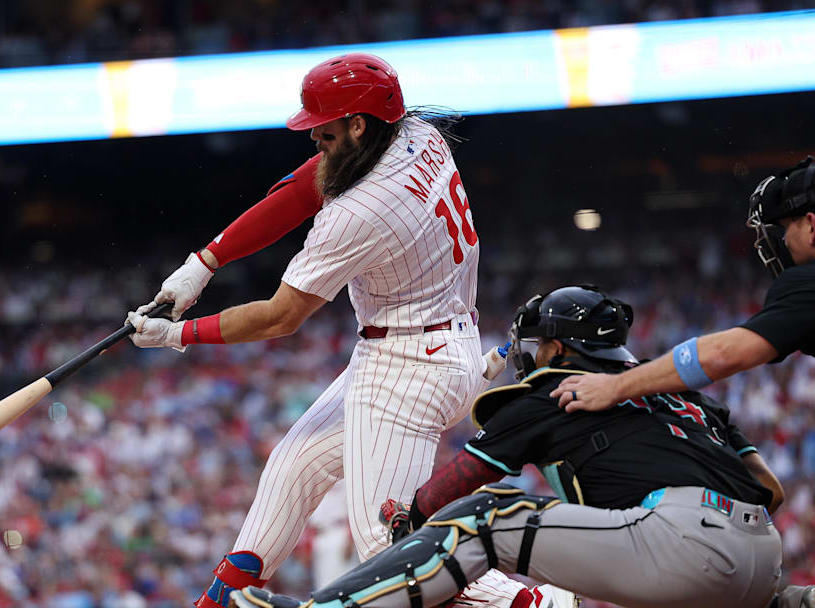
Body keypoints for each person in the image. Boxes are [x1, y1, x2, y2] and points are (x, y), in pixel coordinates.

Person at [126, 53, 571, 608]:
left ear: (358, 125)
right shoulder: (414, 133)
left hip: (409, 372)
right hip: (430, 345)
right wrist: (206, 262)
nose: (314, 139)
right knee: (294, 469)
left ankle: (541, 605)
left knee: (392, 557)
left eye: (324, 130)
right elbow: (304, 186)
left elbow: (281, 316)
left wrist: (178, 336)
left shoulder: (360, 211)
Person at [227, 285, 790, 608]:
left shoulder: (554, 390)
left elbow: (458, 485)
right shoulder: (683, 398)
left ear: (557, 346)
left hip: (687, 551)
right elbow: (772, 491)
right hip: (764, 562)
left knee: (484, 518)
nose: (528, 353)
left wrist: (410, 518)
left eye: (536, 343)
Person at [547, 157, 815, 533]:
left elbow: (724, 354)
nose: (783, 242)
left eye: (785, 228)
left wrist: (615, 386)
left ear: (811, 226)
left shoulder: (813, 279)